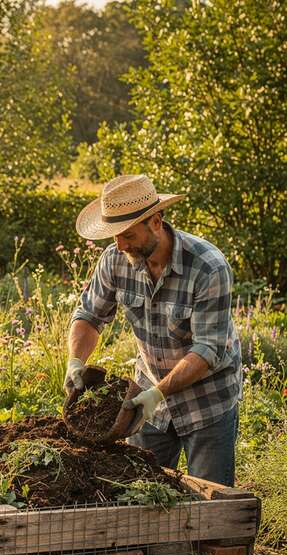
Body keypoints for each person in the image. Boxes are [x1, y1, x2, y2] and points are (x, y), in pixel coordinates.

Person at [65, 174, 242, 486]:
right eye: (114, 237)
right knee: (143, 495)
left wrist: (158, 392)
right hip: (147, 404)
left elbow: (208, 349)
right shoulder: (115, 260)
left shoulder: (207, 266)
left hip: (206, 403)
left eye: (128, 235)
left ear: (156, 222)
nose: (119, 245)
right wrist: (75, 361)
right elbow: (89, 316)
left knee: (212, 505)